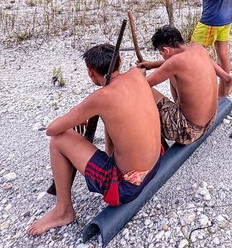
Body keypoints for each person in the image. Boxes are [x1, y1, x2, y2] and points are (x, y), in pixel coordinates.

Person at [27, 44, 162, 236]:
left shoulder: (101, 97)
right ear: (120, 62)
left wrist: (79, 115)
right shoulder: (135, 75)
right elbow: (137, 73)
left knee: (58, 140)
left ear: (91, 72)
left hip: (128, 187)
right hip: (154, 166)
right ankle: (106, 163)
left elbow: (52, 129)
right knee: (115, 121)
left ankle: (63, 210)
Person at [138, 25, 232, 144]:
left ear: (166, 50)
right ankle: (178, 110)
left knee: (143, 91)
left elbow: (140, 85)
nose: (162, 56)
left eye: (161, 53)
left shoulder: (175, 62)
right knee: (175, 73)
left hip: (188, 131)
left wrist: (139, 74)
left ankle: (153, 145)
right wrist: (153, 64)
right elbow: (227, 78)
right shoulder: (198, 49)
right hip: (209, 120)